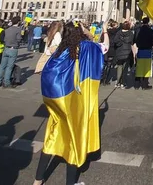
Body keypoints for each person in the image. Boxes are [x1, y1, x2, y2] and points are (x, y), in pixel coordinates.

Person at [33, 22, 109, 185]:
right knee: (75, 138)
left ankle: (38, 180)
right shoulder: (86, 47)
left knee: (52, 135)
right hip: (72, 100)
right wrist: (102, 31)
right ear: (80, 33)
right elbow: (105, 47)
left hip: (54, 99)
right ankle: (71, 182)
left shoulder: (61, 48)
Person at [0, 16, 22, 88]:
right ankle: (6, 82)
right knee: (9, 67)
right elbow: (19, 39)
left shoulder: (7, 29)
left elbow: (4, 38)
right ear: (18, 22)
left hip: (6, 48)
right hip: (13, 48)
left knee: (2, 66)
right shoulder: (18, 29)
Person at [135, 17, 153, 90]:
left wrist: (138, 44)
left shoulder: (138, 30)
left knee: (139, 67)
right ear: (148, 22)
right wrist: (150, 45)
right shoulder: (150, 30)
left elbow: (135, 39)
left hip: (140, 50)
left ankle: (137, 85)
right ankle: (145, 85)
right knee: (146, 68)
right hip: (147, 50)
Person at [114, 21, 135, 89]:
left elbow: (115, 41)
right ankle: (123, 83)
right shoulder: (130, 33)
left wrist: (120, 43)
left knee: (119, 67)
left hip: (119, 52)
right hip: (127, 52)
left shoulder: (118, 32)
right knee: (125, 68)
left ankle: (118, 82)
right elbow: (131, 41)